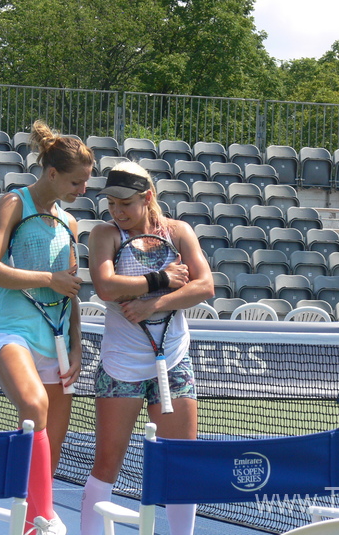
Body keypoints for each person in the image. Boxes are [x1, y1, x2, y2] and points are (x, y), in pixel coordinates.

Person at [79, 161, 214, 535]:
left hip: (173, 362)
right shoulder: (104, 234)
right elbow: (106, 287)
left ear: (147, 197)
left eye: (125, 203)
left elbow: (204, 286)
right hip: (121, 366)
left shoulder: (179, 231)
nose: (117, 211)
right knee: (107, 464)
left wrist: (152, 304)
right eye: (112, 203)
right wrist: (163, 279)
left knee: (180, 464)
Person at [0, 121, 94, 535]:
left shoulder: (70, 224)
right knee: (33, 409)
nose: (82, 190)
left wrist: (78, 347)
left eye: (85, 182)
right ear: (52, 174)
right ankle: (44, 519)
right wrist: (47, 279)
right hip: (12, 332)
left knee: (50, 452)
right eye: (77, 182)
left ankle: (30, 521)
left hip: (58, 343)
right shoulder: (13, 203)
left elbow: (71, 291)